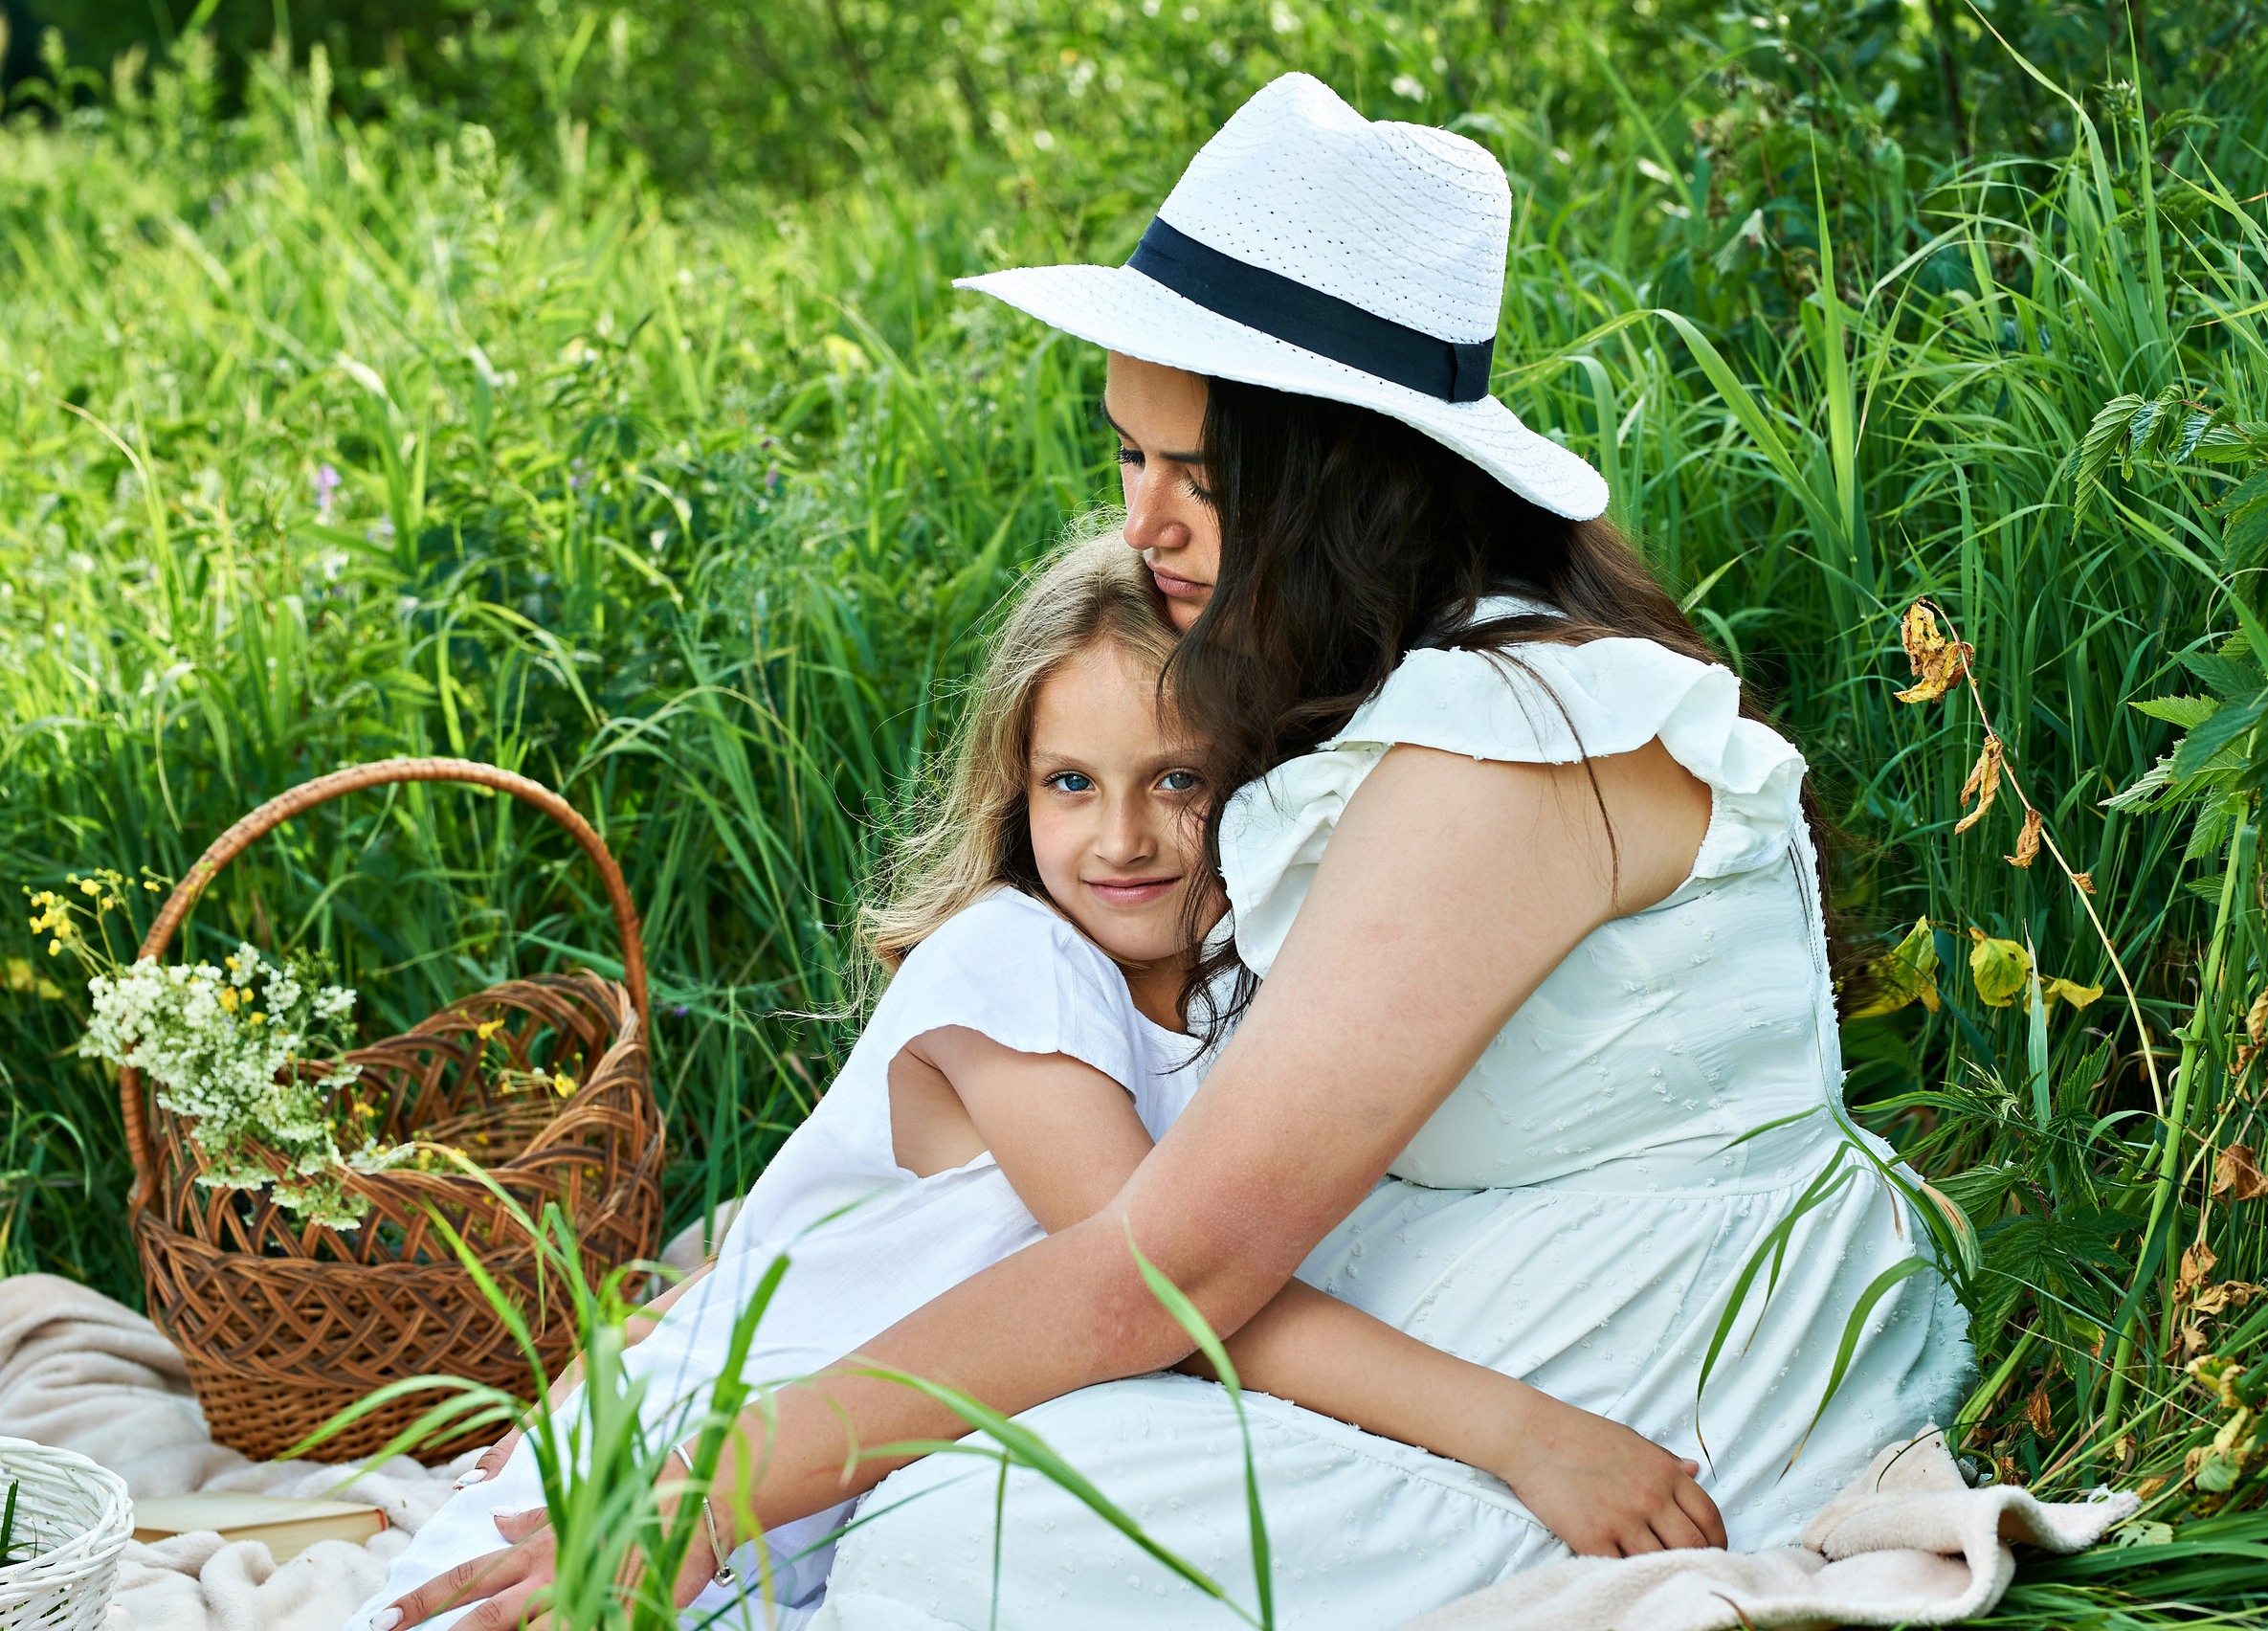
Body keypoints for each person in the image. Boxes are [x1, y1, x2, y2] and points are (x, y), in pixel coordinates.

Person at [372, 72, 1972, 1631]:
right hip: (1486, 1306)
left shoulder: (1515, 741)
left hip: (1659, 1349)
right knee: (950, 1498)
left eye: (1200, 477)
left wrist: (726, 1481)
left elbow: (1168, 1258)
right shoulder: (1416, 699)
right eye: (1130, 457)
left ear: (1347, 475)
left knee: (957, 1541)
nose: (1144, 527)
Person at [349, 530, 1722, 1631]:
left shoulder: (1258, 992)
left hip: (838, 1497)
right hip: (700, 1473)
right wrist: (1524, 1432)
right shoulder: (1012, 963)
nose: (1119, 838)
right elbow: (1172, 1283)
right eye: (1070, 782)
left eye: (1177, 779)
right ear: (1012, 788)